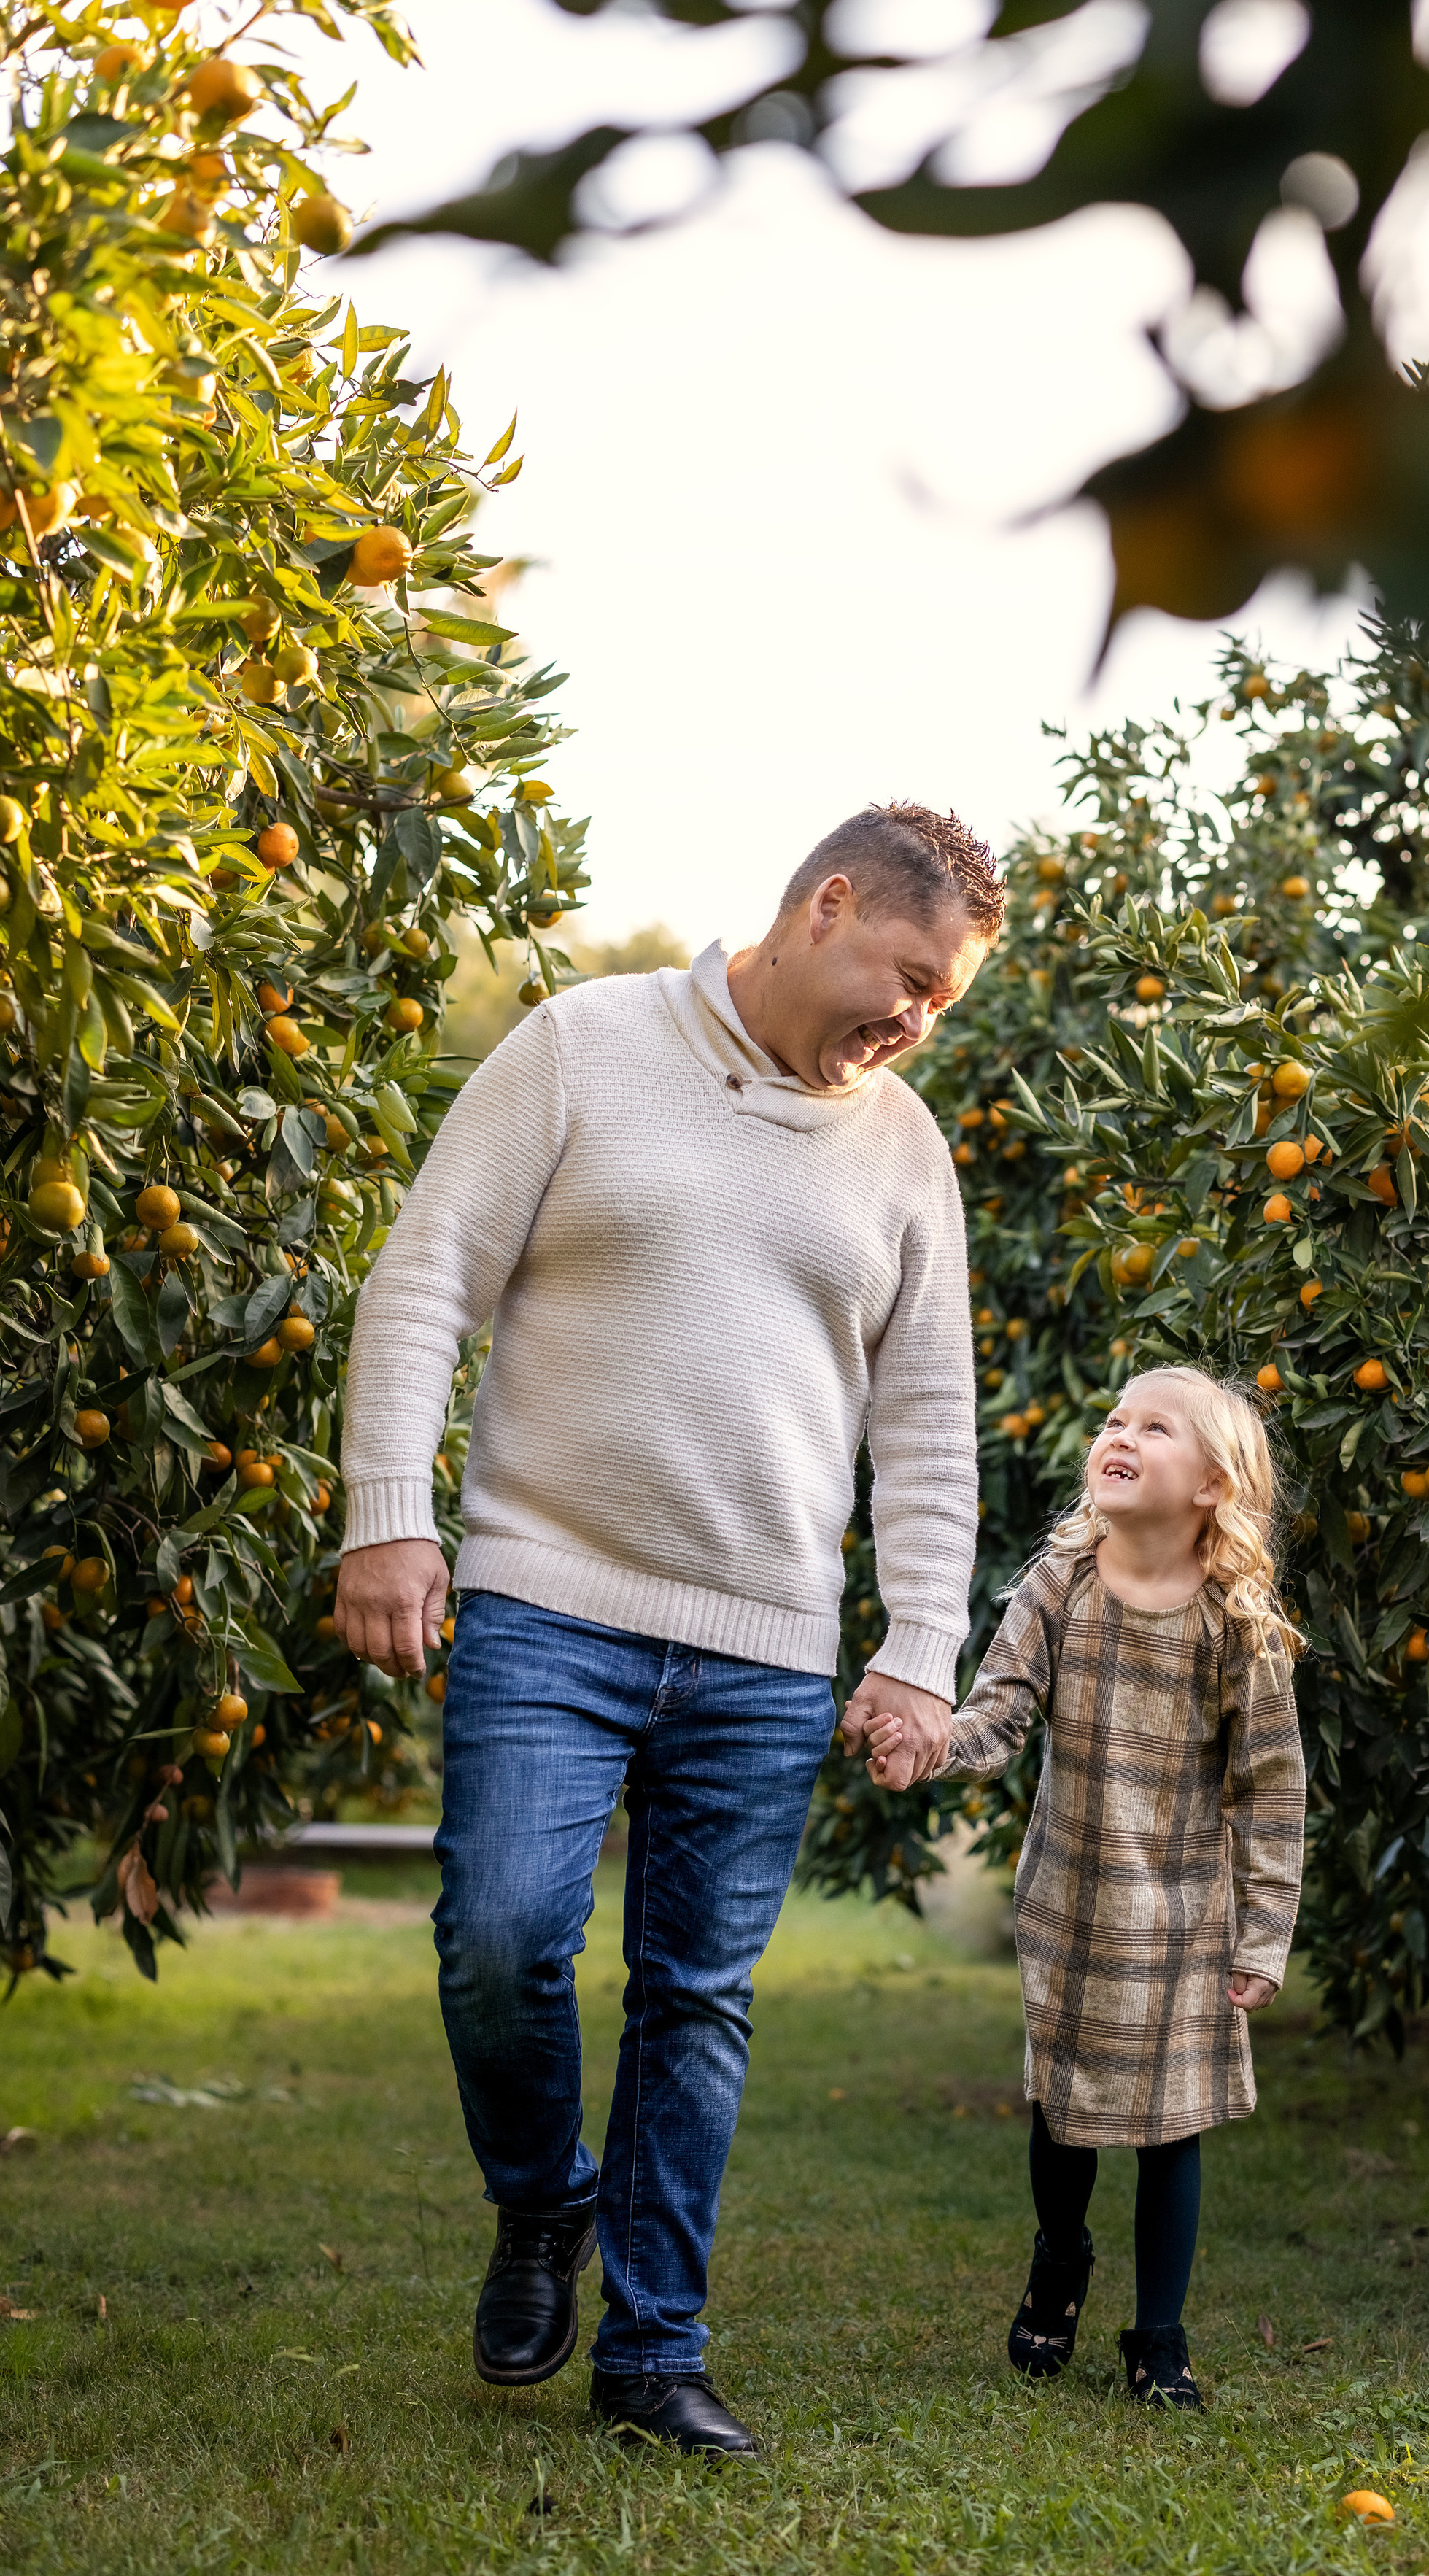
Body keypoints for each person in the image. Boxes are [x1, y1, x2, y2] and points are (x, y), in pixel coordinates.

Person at [334, 802, 1001, 2457]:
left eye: (945, 1000)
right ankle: (544, 2198)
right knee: (498, 1940)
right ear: (826, 904)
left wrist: (920, 1644)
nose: (915, 1018)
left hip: (766, 1640)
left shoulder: (904, 1147)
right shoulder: (582, 1048)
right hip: (546, 1599)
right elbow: (426, 1279)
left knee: (695, 1999)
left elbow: (928, 1424)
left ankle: (653, 2353)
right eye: (908, 974)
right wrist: (387, 1514)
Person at [863, 1365, 1306, 2408]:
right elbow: (997, 1718)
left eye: (1156, 1427)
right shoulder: (1058, 1586)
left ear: (1211, 1485)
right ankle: (1061, 2254)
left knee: (1172, 2123)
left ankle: (1160, 2336)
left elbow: (1272, 1788)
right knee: (1063, 2111)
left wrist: (1264, 1933)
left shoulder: (1237, 1624)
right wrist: (925, 1747)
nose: (1123, 1433)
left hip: (1189, 1910)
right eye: (1115, 1418)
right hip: (1073, 1897)